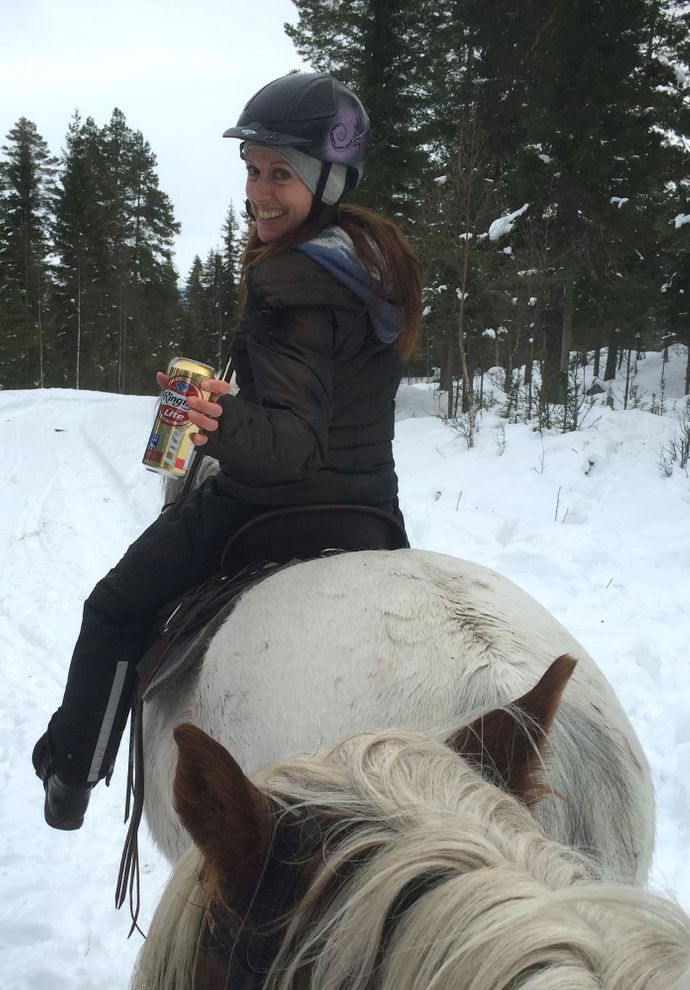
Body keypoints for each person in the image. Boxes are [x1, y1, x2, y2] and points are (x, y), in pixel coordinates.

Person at [32, 72, 423, 830]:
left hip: (274, 507)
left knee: (113, 606)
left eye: (282, 173)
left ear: (329, 179)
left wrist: (213, 422)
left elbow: (292, 448)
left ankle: (71, 773)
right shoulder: (377, 262)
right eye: (252, 170)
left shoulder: (293, 275)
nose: (260, 193)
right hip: (370, 508)